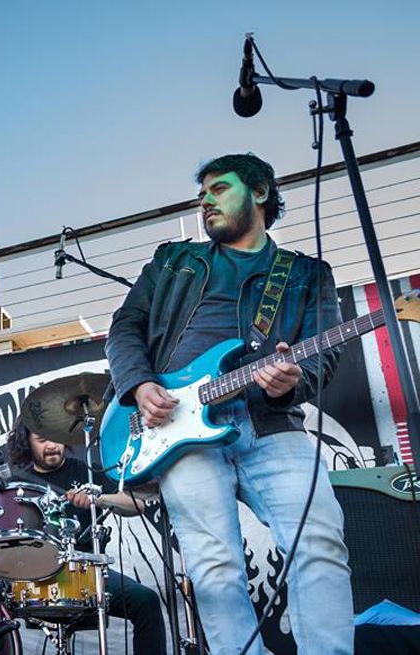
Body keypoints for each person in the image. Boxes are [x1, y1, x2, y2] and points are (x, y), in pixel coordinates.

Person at [105, 153, 353, 653]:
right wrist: (139, 385)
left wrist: (292, 381)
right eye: (202, 194)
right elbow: (124, 328)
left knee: (319, 544)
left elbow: (322, 352)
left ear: (260, 192)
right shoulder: (173, 261)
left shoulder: (305, 274)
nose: (205, 201)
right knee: (214, 569)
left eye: (219, 189)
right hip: (178, 428)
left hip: (271, 423)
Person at [0, 420, 167, 655]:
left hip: (84, 572)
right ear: (27, 443)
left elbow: (136, 505)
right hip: (28, 575)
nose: (51, 445)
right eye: (42, 440)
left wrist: (98, 499)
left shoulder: (86, 472)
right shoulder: (18, 486)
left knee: (146, 601)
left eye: (55, 438)